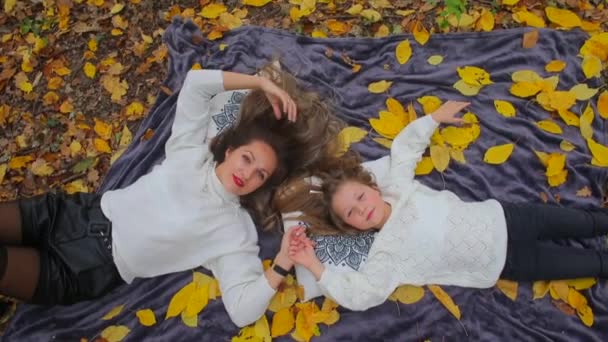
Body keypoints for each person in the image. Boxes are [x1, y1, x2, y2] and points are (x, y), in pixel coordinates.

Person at [0, 67, 342, 327]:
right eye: (247, 159)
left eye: (260, 175)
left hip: (84, 268)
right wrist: (260, 83)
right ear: (231, 149)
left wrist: (282, 264)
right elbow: (196, 85)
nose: (247, 174)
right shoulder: (189, 152)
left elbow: (242, 310)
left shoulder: (235, 233)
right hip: (72, 213)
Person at [287, 100, 608, 311]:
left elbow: (405, 150)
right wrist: (315, 266)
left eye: (359, 197)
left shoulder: (398, 187)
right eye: (351, 214)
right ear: (350, 226)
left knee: (590, 222)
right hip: (507, 262)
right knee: (595, 264)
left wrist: (432, 119)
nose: (361, 209)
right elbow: (361, 294)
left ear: (372, 186)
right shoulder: (386, 254)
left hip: (513, 219)